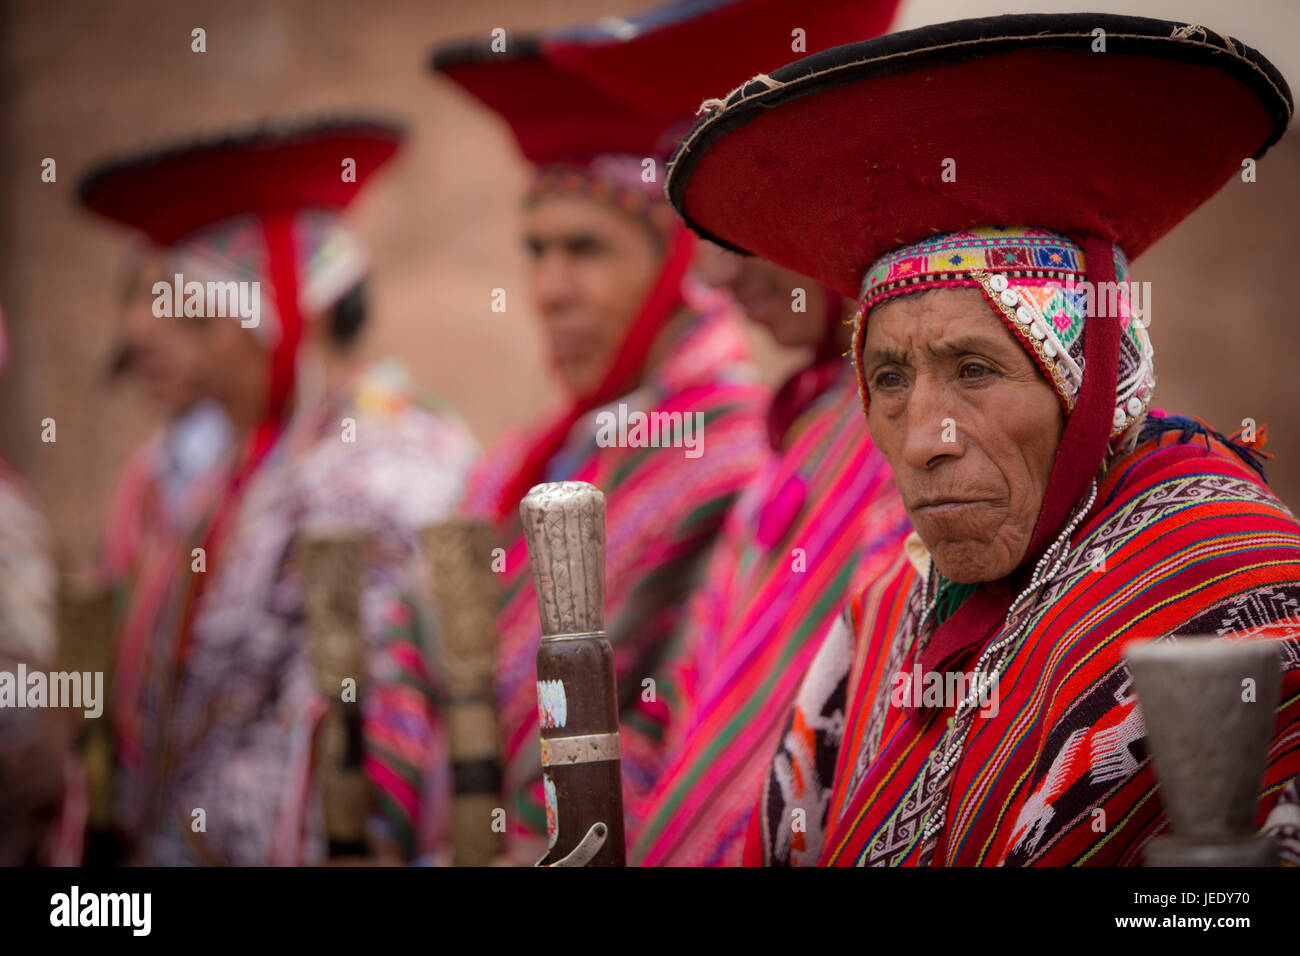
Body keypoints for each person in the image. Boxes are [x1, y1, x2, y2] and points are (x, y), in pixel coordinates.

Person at [663, 13, 1300, 865]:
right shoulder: (886, 612)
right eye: (889, 379)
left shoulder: (1241, 591)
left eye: (974, 369)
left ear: (1093, 376)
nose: (926, 439)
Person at [429, 2, 823, 854]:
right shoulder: (539, 453)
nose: (551, 288)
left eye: (587, 249)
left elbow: (656, 722)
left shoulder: (724, 456)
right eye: (536, 251)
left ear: (673, 261)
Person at [77, 117, 480, 865]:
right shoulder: (218, 478)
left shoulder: (378, 469)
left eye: (189, 313)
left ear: (284, 309)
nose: (141, 334)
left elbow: (356, 735)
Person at [92, 245, 234, 859]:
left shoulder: (260, 471)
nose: (140, 326)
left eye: (167, 296)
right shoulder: (145, 480)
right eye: (136, 300)